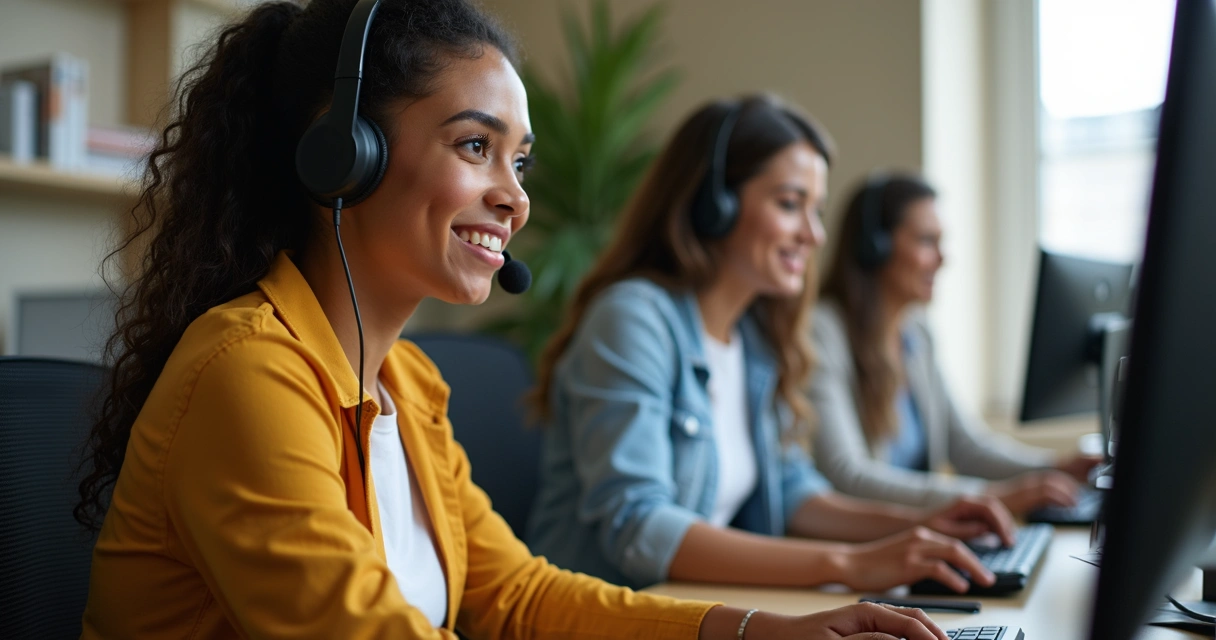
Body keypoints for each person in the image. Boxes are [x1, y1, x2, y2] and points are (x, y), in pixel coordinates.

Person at [70, 2, 952, 638]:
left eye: (519, 161)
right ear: (345, 157)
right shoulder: (248, 372)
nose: (514, 197)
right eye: (474, 146)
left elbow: (521, 596)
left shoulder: (406, 384)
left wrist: (762, 633)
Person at [526, 95, 1015, 595]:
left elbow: (793, 490)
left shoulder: (755, 336)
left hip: (689, 607)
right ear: (713, 205)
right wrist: (848, 565)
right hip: (600, 614)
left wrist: (925, 524)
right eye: (789, 204)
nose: (814, 234)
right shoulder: (633, 318)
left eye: (816, 210)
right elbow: (639, 527)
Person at [809, 172, 1101, 513]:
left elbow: (965, 446)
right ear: (876, 246)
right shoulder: (823, 332)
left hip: (919, 536)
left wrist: (1056, 467)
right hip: (868, 543)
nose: (943, 258)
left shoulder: (916, 332)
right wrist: (991, 498)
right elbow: (848, 476)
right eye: (926, 241)